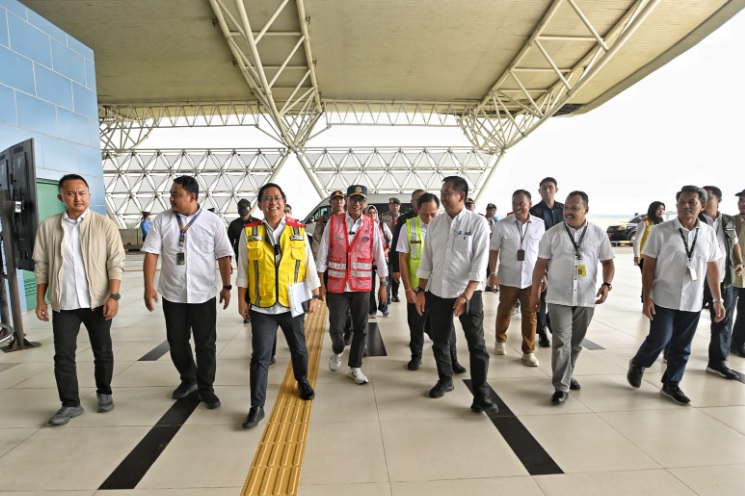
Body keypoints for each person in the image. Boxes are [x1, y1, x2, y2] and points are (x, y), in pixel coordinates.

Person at [33, 174, 126, 426]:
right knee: (63, 355)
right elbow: (41, 265)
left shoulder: (103, 224)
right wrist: (41, 300)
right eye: (72, 193)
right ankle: (70, 404)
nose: (78, 198)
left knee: (103, 351)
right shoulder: (48, 226)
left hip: (97, 302)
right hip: (65, 305)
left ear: (89, 194)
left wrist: (113, 295)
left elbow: (115, 262)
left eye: (82, 192)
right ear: (60, 197)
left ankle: (104, 392)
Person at [626, 186, 725, 405]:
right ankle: (639, 363)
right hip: (663, 296)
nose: (686, 206)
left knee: (682, 346)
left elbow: (713, 267)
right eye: (682, 201)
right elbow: (648, 266)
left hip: (693, 299)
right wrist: (647, 298)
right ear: (676, 204)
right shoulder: (661, 231)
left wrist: (717, 299)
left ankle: (671, 383)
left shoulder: (707, 233)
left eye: (692, 202)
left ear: (702, 205)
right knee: (659, 338)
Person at [142, 175, 234, 409]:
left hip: (203, 294)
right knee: (177, 342)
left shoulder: (213, 222)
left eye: (176, 194)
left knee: (206, 344)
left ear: (192, 197)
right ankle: (188, 377)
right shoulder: (162, 220)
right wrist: (148, 286)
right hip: (173, 294)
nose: (171, 198)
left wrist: (226, 286)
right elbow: (152, 253)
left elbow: (224, 255)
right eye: (171, 193)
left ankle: (206, 388)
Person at [236, 183, 320, 429]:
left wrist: (315, 295)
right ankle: (256, 406)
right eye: (267, 199)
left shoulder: (298, 230)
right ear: (260, 205)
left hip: (291, 304)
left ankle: (302, 380)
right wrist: (242, 299)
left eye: (277, 198)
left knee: (300, 349)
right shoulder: (249, 232)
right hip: (262, 305)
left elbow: (308, 266)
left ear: (284, 202)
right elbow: (243, 269)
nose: (272, 202)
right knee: (260, 357)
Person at [415, 176, 498, 414]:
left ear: (461, 195)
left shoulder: (477, 224)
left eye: (447, 192)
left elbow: (480, 263)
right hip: (438, 293)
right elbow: (427, 260)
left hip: (468, 295)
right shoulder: (436, 224)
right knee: (440, 340)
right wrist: (421, 290)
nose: (442, 196)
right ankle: (445, 379)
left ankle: (481, 394)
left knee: (477, 345)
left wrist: (466, 294)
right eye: (442, 191)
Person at [529, 191, 615, 405]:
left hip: (586, 297)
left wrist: (606, 284)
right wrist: (534, 294)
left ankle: (566, 374)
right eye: (566, 207)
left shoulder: (597, 233)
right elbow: (540, 265)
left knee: (575, 343)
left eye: (574, 208)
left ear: (586, 209)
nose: (568, 211)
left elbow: (608, 261)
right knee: (561, 342)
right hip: (559, 296)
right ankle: (561, 386)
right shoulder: (553, 234)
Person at [316, 185, 388, 385]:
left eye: (361, 200)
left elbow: (379, 256)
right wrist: (320, 283)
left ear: (365, 203)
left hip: (362, 286)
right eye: (353, 199)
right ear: (346, 201)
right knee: (336, 328)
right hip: (337, 286)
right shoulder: (333, 223)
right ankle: (338, 350)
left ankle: (355, 367)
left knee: (361, 328)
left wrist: (383, 283)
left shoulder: (372, 225)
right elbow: (322, 254)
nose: (357, 203)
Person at [398, 193, 465, 372]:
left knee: (447, 326)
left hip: (441, 288)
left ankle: (453, 358)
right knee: (416, 324)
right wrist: (407, 289)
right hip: (417, 287)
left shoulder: (448, 228)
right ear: (416, 210)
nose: (429, 218)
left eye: (433, 214)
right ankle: (416, 356)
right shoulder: (408, 227)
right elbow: (402, 259)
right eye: (424, 214)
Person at [490, 190, 545, 366]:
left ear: (530, 203)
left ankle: (528, 351)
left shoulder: (539, 224)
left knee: (530, 314)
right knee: (505, 311)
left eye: (521, 203)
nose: (517, 206)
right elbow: (494, 251)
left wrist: (544, 274)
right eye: (514, 203)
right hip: (508, 277)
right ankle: (500, 340)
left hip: (531, 278)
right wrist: (493, 274)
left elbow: (543, 252)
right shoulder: (502, 225)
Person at [699, 186, 743, 379]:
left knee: (723, 321)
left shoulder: (728, 221)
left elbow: (734, 244)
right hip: (697, 281)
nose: (703, 201)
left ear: (719, 200)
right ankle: (671, 351)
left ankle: (718, 362)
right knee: (683, 318)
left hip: (725, 280)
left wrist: (739, 262)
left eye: (707, 197)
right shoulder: (694, 219)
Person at [529, 177, 565, 348]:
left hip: (561, 259)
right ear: (539, 191)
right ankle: (541, 331)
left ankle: (550, 320)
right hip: (542, 258)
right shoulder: (534, 211)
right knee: (542, 296)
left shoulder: (564, 209)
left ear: (556, 189)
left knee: (558, 295)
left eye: (550, 187)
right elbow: (533, 239)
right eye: (544, 188)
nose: (547, 191)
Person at [228, 199, 260, 325]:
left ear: (250, 208)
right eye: (240, 207)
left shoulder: (258, 223)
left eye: (244, 207)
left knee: (256, 284)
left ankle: (257, 309)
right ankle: (247, 313)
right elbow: (228, 245)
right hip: (241, 259)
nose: (242, 209)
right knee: (244, 284)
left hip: (257, 259)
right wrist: (228, 262)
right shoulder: (234, 225)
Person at [367, 205, 393, 318]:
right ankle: (371, 309)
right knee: (370, 287)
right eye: (370, 213)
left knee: (384, 284)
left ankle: (383, 307)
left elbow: (392, 239)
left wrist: (385, 251)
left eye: (374, 213)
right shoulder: (363, 226)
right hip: (368, 262)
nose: (372, 215)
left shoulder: (382, 225)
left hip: (382, 260)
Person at [633, 201, 666, 272]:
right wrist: (636, 255)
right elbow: (637, 240)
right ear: (652, 210)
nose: (661, 211)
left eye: (663, 209)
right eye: (658, 209)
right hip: (645, 256)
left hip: (658, 256)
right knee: (647, 278)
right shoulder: (645, 222)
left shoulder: (663, 223)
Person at [731, 189, 745, 357]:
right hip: (732, 274)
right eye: (740, 200)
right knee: (725, 314)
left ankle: (737, 343)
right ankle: (720, 347)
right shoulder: (730, 222)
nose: (742, 203)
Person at [380, 197, 402, 302]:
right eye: (393, 205)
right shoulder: (383, 218)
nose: (395, 207)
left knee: (397, 272)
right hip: (388, 249)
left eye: (397, 205)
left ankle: (395, 294)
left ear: (399, 207)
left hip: (399, 248)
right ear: (389, 206)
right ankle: (387, 295)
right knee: (388, 272)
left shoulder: (402, 219)